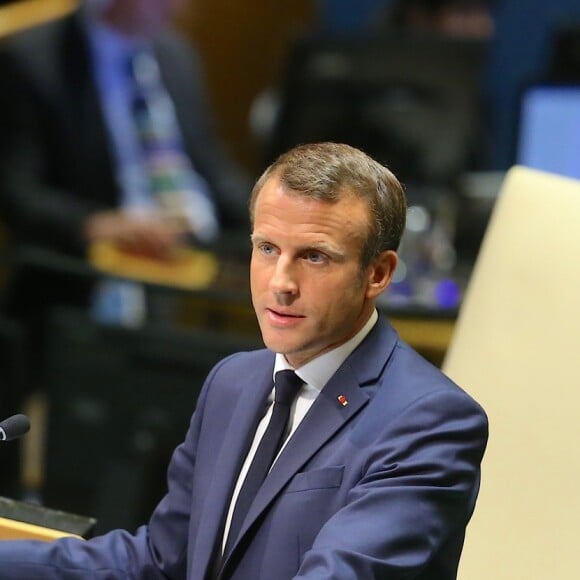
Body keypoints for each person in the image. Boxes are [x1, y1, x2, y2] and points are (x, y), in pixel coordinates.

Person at [0, 142, 488, 579]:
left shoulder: (429, 421)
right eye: (267, 248)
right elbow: (161, 560)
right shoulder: (233, 381)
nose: (280, 282)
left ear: (377, 273)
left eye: (314, 257)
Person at [0, 0, 251, 402]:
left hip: (195, 267)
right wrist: (98, 224)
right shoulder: (33, 58)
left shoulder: (175, 54)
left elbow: (214, 171)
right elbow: (17, 194)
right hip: (86, 277)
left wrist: (279, 216)